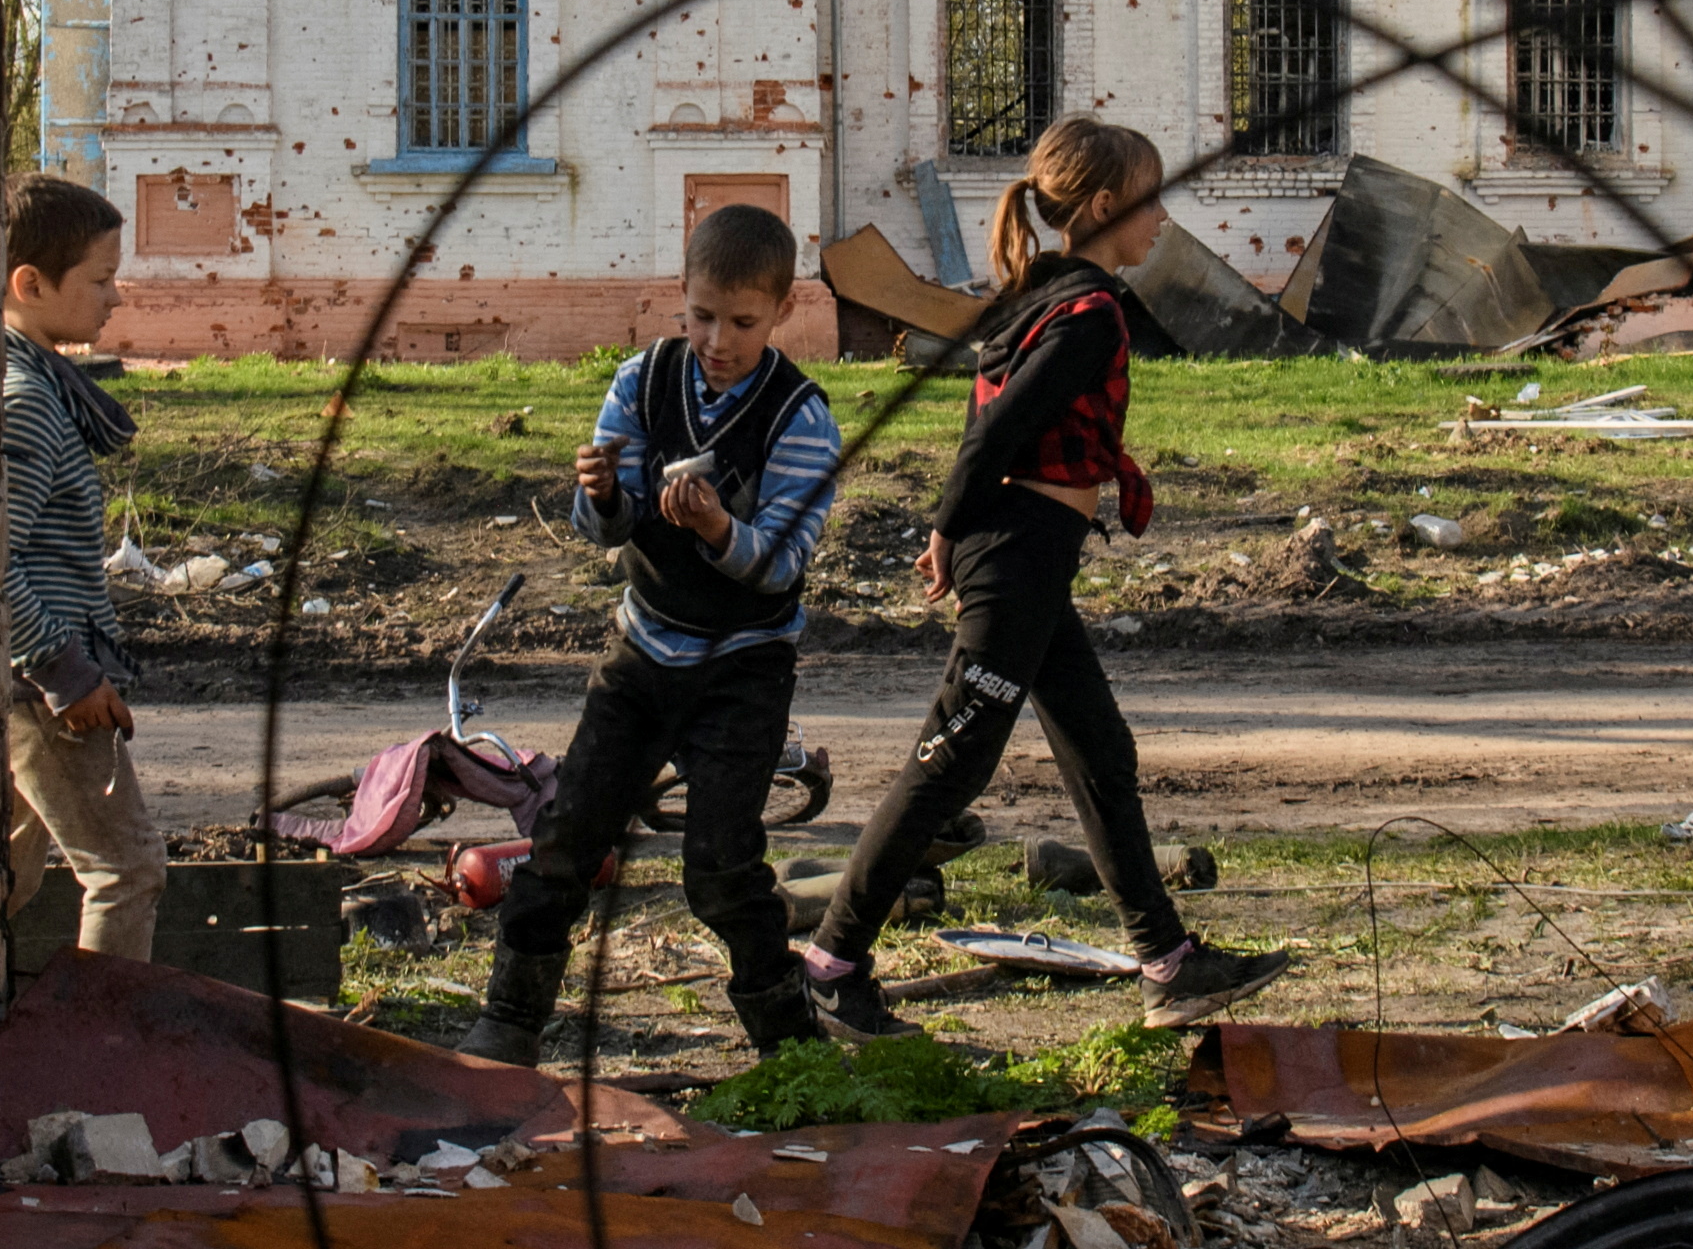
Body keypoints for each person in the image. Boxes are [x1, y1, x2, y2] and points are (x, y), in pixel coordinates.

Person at [795, 116, 1294, 1036]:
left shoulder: (1042, 294)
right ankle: (830, 963)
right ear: (1105, 206)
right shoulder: (1089, 311)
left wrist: (959, 528)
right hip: (1015, 552)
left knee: (1101, 754)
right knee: (953, 761)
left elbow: (992, 416)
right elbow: (996, 428)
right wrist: (947, 529)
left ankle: (1168, 965)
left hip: (1031, 554)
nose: (1159, 219)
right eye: (1148, 199)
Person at [474, 200, 852, 1068]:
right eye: (701, 316)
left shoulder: (800, 418)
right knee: (566, 841)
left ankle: (787, 1042)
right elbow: (604, 530)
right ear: (678, 298)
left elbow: (783, 565)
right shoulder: (641, 382)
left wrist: (720, 530)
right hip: (642, 650)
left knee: (720, 865)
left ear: (784, 310)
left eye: (742, 322)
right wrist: (602, 493)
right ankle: (508, 1021)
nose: (718, 338)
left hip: (744, 668)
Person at [0, 173, 157, 972]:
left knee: (1, 881)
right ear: (28, 283)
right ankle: (102, 1053)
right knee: (127, 869)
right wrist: (66, 669)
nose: (114, 297)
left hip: (35, 680)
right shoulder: (25, 398)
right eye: (98, 279)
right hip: (46, 687)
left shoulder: (42, 385)